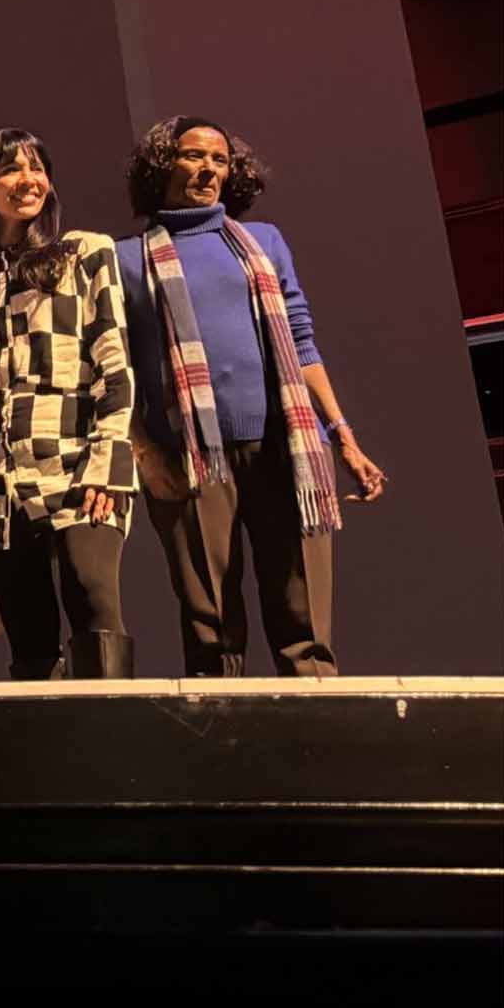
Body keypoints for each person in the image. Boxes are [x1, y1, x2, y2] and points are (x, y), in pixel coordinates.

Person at [115, 117, 382, 677]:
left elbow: (302, 342)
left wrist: (343, 436)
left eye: (220, 159)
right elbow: (118, 369)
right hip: (187, 456)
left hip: (284, 448)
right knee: (210, 626)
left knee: (303, 624)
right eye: (193, 156)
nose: (208, 168)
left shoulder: (263, 243)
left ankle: (317, 742)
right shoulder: (126, 258)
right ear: (163, 164)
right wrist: (145, 455)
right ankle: (228, 750)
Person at [0, 128, 138, 680]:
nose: (28, 181)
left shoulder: (86, 253)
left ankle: (113, 742)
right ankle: (48, 752)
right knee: (27, 629)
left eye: (37, 168)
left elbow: (115, 366)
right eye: (10, 170)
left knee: (94, 604)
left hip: (75, 459)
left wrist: (109, 463)